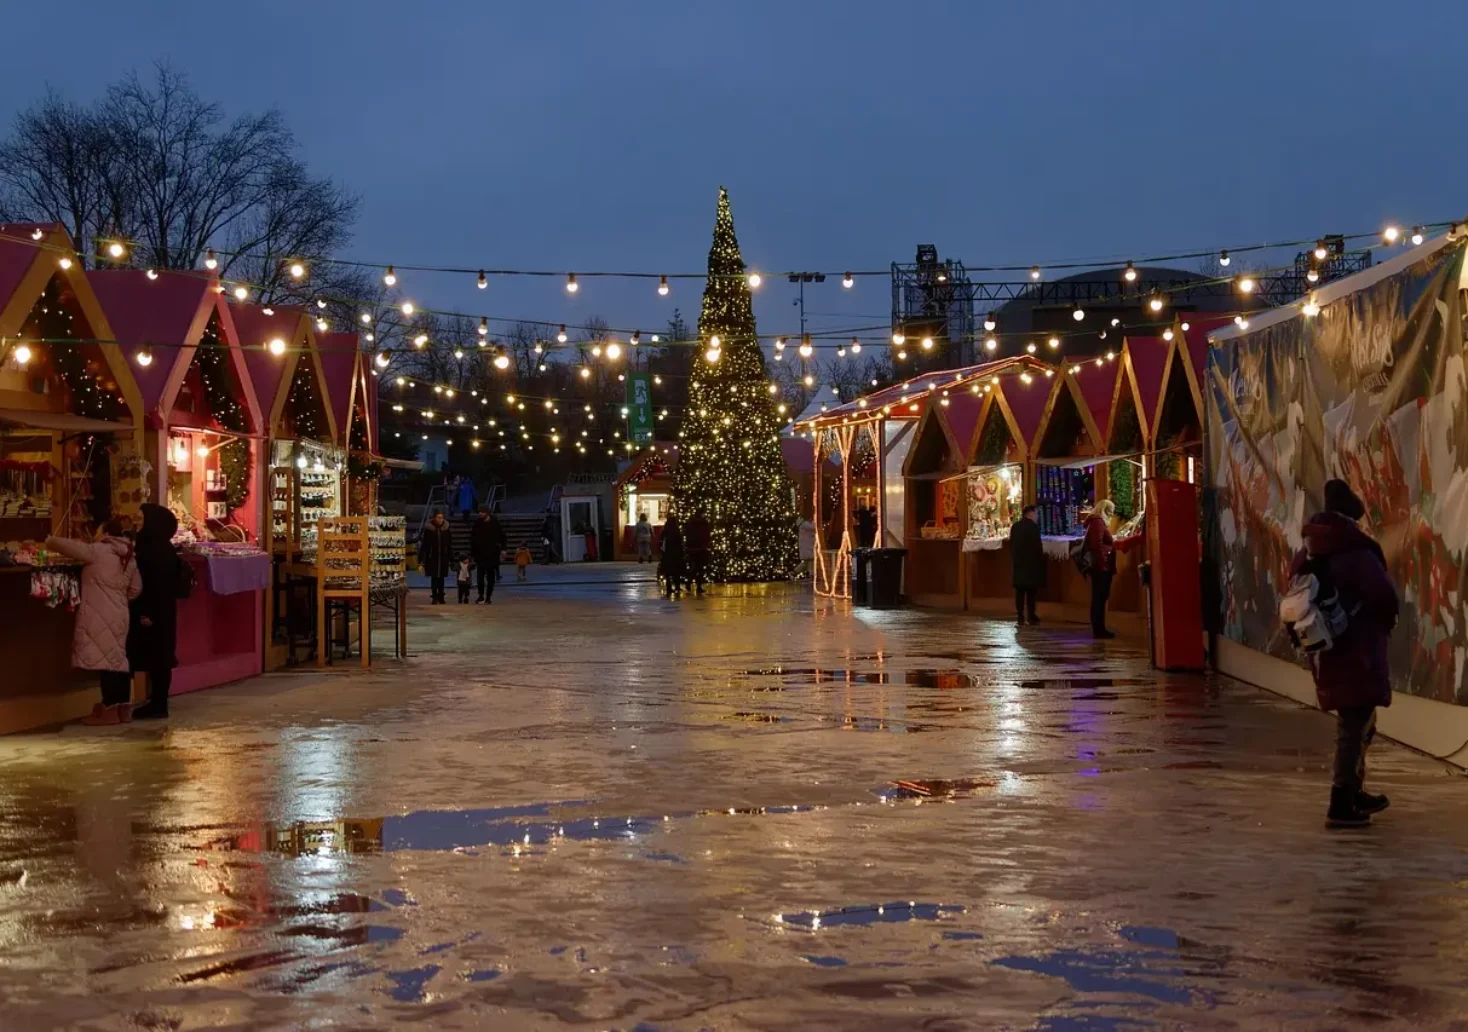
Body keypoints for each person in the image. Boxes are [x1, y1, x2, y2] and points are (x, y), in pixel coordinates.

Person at [1289, 479, 1399, 828]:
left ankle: (1354, 788)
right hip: (1358, 647)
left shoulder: (1309, 551)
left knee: (1358, 717)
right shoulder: (1356, 552)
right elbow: (1383, 597)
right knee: (1354, 721)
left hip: (1325, 646)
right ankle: (1342, 801)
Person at [46, 520, 141, 725]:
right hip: (121, 613)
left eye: (97, 531)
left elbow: (72, 548)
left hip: (99, 613)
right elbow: (135, 589)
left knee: (104, 663)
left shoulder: (98, 550)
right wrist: (118, 598)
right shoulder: (129, 556)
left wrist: (50, 540)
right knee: (117, 660)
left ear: (106, 533)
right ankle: (123, 709)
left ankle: (108, 709)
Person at [128, 504, 182, 720]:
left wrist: (147, 612)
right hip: (161, 610)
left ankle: (158, 703)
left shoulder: (154, 550)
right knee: (159, 655)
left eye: (141, 517)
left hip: (153, 610)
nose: (136, 521)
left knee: (157, 656)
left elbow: (154, 584)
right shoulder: (161, 547)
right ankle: (157, 701)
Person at [1083, 499, 1118, 639]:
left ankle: (1099, 627)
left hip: (1101, 565)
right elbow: (1096, 544)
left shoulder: (1096, 521)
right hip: (1101, 567)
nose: (1112, 515)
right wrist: (1104, 562)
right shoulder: (1097, 521)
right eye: (1110, 511)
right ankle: (1099, 629)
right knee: (1099, 597)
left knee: (1100, 597)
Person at [1010, 504, 1044, 626]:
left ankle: (1020, 616)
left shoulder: (1015, 527)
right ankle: (1031, 616)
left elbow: (1011, 545)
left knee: (1019, 592)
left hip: (1019, 563)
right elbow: (1038, 547)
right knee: (1031, 592)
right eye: (1036, 514)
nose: (1037, 516)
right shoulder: (1034, 527)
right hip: (1031, 564)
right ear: (1031, 513)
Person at [470, 506, 506, 603]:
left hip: (492, 553)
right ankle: (481, 595)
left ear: (487, 512)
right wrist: (472, 554)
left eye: (482, 512)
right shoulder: (477, 523)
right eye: (479, 512)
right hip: (480, 554)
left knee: (491, 577)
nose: (480, 514)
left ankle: (488, 597)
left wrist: (503, 549)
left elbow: (502, 536)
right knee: (480, 577)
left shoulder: (495, 523)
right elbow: (473, 539)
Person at [418, 510, 454, 604]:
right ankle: (434, 596)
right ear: (434, 518)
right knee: (434, 577)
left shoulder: (446, 529)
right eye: (438, 517)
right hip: (432, 556)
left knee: (441, 578)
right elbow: (425, 544)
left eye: (441, 517)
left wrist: (451, 557)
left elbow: (449, 544)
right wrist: (422, 558)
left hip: (443, 557)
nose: (440, 519)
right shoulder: (429, 530)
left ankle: (441, 596)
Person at [684, 510, 712, 595]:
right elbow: (707, 536)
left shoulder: (690, 524)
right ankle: (698, 586)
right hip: (701, 549)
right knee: (699, 568)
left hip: (692, 549)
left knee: (695, 567)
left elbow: (687, 535)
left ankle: (689, 582)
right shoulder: (704, 524)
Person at [660, 513, 686, 598]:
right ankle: (677, 586)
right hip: (676, 554)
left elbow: (661, 541)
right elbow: (680, 541)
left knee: (668, 572)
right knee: (676, 571)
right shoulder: (676, 530)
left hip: (667, 554)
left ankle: (669, 587)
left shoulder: (665, 530)